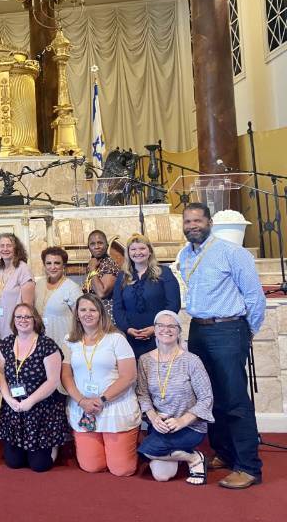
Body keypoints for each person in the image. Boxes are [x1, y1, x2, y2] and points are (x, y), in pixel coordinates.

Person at [177, 202, 266, 489]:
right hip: (199, 330)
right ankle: (225, 453)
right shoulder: (185, 255)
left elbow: (255, 298)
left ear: (209, 222)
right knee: (209, 397)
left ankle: (248, 467)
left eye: (197, 221)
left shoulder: (232, 253)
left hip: (228, 328)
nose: (192, 226)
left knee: (235, 399)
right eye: (187, 221)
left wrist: (244, 332)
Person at [61, 294, 140, 477]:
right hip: (84, 408)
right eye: (83, 310)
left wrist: (102, 399)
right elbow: (66, 375)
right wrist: (81, 401)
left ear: (101, 313)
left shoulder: (116, 339)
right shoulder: (69, 340)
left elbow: (129, 376)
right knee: (92, 466)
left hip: (113, 406)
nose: (88, 314)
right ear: (77, 314)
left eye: (92, 310)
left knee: (121, 469)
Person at [136, 310, 214, 485]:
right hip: (160, 426)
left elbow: (206, 398)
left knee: (147, 450)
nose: (166, 329)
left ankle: (194, 458)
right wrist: (153, 418)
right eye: (161, 325)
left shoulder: (192, 360)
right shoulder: (144, 360)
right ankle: (189, 456)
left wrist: (182, 421)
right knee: (160, 476)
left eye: (172, 326)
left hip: (189, 426)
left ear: (179, 331)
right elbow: (142, 394)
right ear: (154, 330)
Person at [0, 303, 69, 472]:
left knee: (39, 465)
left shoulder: (47, 345)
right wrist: (8, 398)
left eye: (27, 316)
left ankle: (52, 447)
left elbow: (52, 381)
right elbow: (0, 373)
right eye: (18, 317)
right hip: (14, 408)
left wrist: (30, 401)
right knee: (13, 463)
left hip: (41, 410)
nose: (23, 320)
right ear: (13, 321)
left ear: (35, 319)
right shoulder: (6, 344)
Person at [113, 234, 181, 359]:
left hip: (161, 335)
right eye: (133, 249)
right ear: (128, 253)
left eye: (142, 248)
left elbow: (173, 304)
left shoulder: (164, 273)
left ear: (149, 251)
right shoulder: (123, 276)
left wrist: (156, 328)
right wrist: (127, 329)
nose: (138, 252)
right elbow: (117, 307)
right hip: (131, 338)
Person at [0, 233, 35, 341]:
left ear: (16, 249)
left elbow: (28, 307)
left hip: (16, 332)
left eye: (9, 245)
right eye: (2, 246)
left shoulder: (23, 270)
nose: (5, 249)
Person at [34, 246, 82, 348]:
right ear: (44, 265)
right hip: (41, 343)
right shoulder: (39, 284)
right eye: (48, 263)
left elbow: (81, 318)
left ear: (63, 265)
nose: (53, 267)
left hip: (64, 343)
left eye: (57, 263)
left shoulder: (72, 288)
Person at [82, 230, 119, 317]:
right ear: (89, 247)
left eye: (100, 243)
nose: (96, 247)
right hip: (95, 314)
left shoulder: (110, 264)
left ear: (107, 246)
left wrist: (92, 269)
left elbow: (101, 293)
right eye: (92, 244)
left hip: (107, 316)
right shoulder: (94, 262)